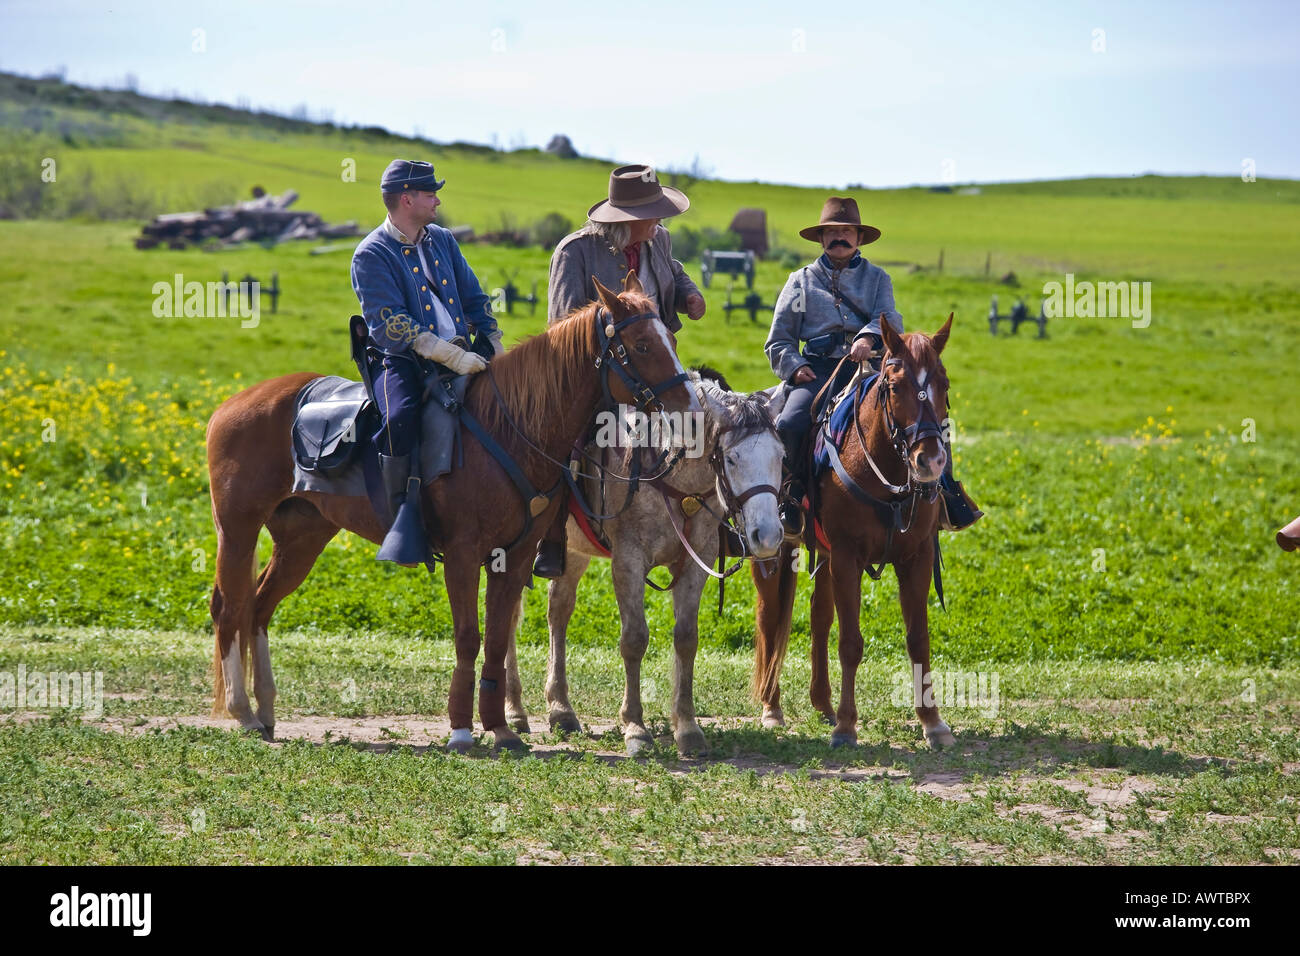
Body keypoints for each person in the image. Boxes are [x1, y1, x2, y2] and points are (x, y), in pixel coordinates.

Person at [765, 196, 982, 534]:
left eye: (847, 231)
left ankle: (945, 492)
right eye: (832, 232)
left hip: (873, 367)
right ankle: (791, 496)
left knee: (927, 414)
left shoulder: (878, 279)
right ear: (821, 238)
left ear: (859, 238)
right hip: (818, 371)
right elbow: (778, 340)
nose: (840, 237)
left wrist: (868, 338)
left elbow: (890, 317)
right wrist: (794, 368)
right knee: (791, 423)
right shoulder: (800, 281)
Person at [532, 164, 707, 577]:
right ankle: (552, 537)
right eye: (654, 211)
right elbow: (561, 327)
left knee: (702, 422)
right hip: (595, 375)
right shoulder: (574, 252)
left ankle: (706, 520)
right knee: (562, 443)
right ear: (628, 219)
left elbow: (673, 270)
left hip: (654, 363)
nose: (661, 219)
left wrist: (689, 294)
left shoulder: (657, 239)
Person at [350, 159, 503, 563]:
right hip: (400, 362)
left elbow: (474, 298)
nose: (437, 199)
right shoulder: (371, 254)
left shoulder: (442, 239)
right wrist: (447, 354)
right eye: (430, 192)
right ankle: (405, 516)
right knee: (399, 418)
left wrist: (492, 340)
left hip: (462, 353)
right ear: (406, 199)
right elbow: (389, 324)